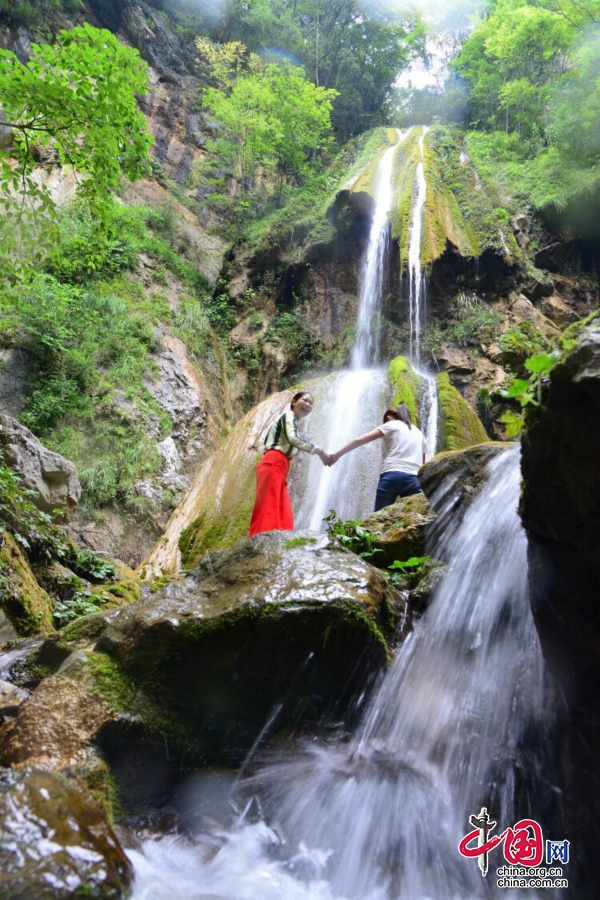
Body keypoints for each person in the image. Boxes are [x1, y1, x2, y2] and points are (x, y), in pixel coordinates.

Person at [249, 391, 330, 537]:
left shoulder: (291, 420)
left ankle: (276, 541)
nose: (308, 404)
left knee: (282, 510)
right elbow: (293, 438)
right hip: (274, 462)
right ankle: (261, 542)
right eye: (305, 400)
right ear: (293, 402)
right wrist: (319, 451)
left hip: (280, 465)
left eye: (311, 403)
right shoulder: (289, 415)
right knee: (269, 506)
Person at [328, 402, 427, 511]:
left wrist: (336, 455)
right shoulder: (420, 433)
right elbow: (423, 466)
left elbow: (359, 440)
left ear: (389, 417)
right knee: (415, 517)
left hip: (392, 475)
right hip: (413, 479)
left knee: (380, 517)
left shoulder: (391, 424)